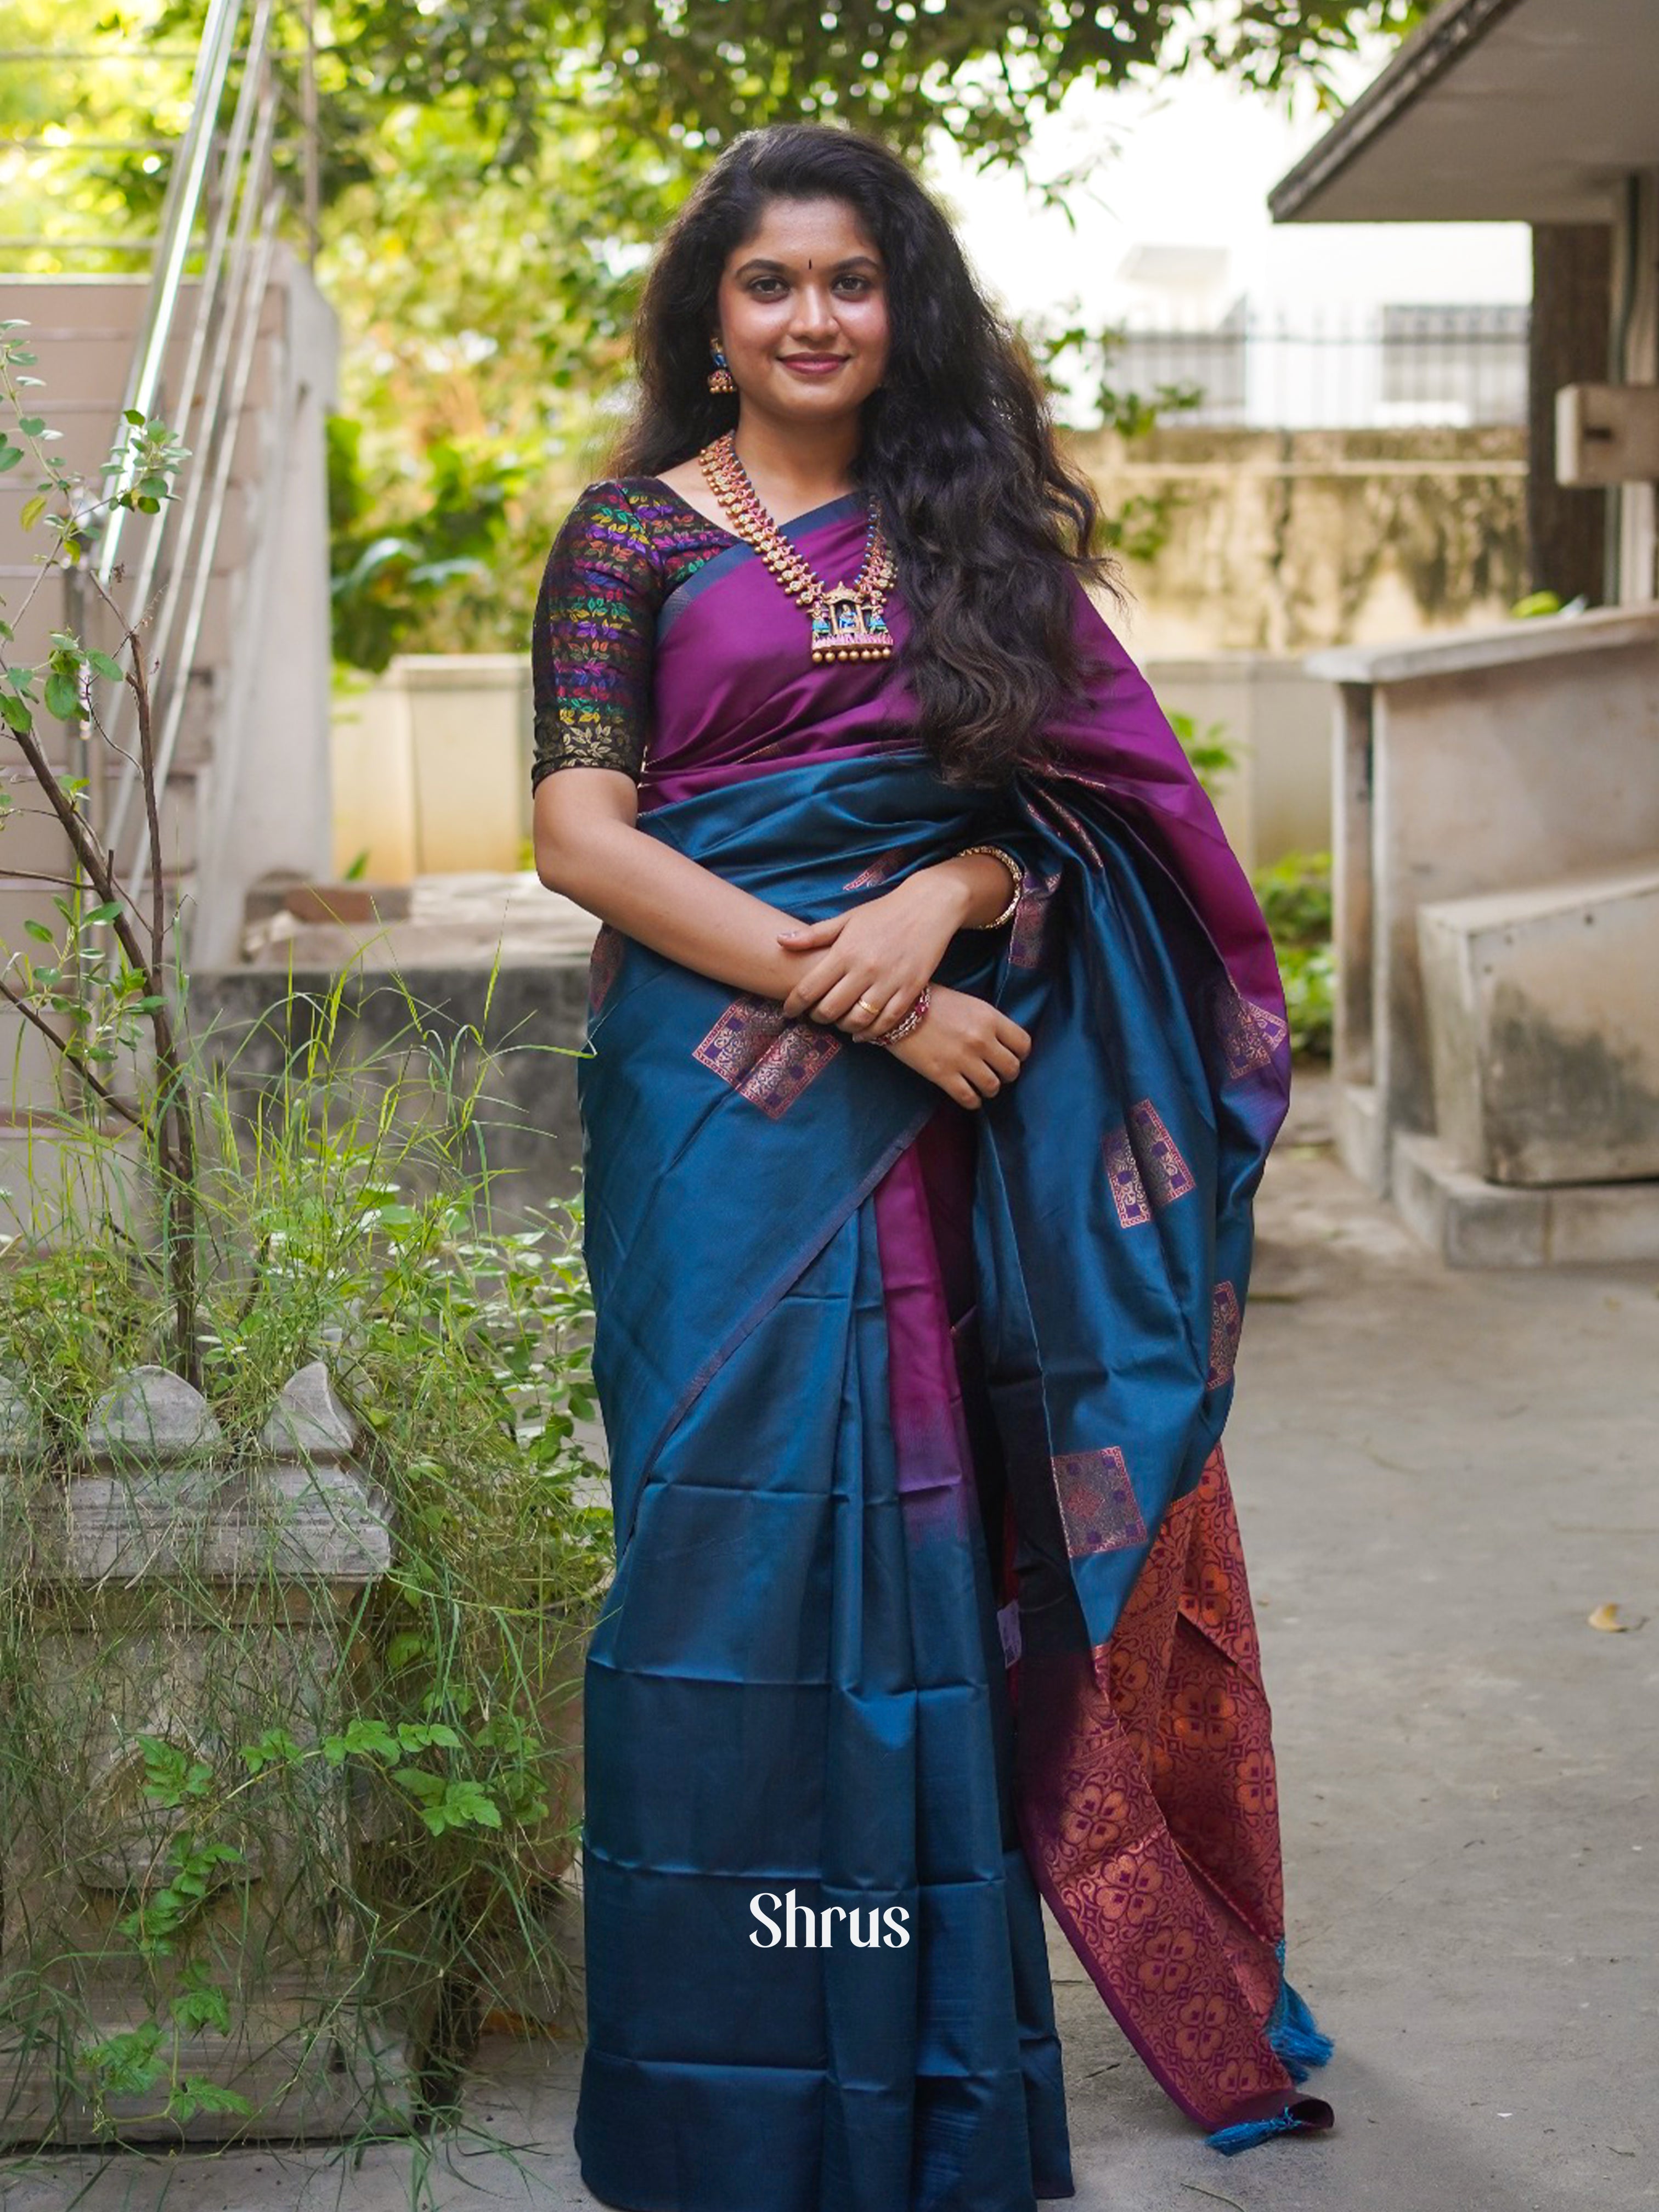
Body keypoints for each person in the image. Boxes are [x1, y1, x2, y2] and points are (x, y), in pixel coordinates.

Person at [529, 120, 1333, 2212]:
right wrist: (873, 994)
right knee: (718, 1560)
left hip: (941, 1123)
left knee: (914, 1553)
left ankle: (929, 2077)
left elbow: (1094, 832)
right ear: (712, 321)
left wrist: (951, 890)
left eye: (850, 280)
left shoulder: (973, 543)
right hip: (717, 1117)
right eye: (770, 282)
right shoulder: (630, 540)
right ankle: (722, 2097)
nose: (812, 316)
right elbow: (582, 837)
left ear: (904, 312)